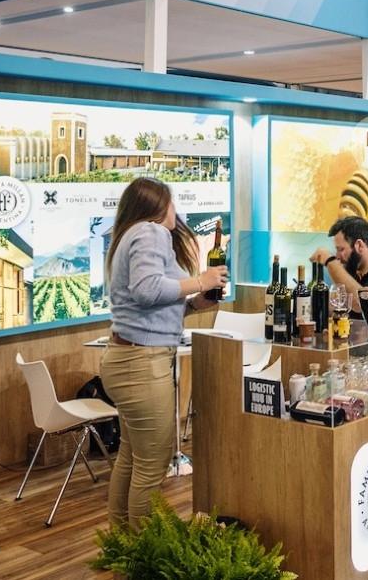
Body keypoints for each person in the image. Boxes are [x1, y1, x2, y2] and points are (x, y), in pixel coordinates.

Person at [99, 177, 226, 529]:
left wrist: (194, 302)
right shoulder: (150, 232)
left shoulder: (130, 234)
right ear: (159, 206)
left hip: (126, 360)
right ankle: (145, 552)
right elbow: (147, 290)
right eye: (172, 203)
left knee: (131, 456)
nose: (177, 211)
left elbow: (151, 302)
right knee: (152, 464)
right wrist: (200, 280)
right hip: (143, 365)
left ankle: (121, 540)